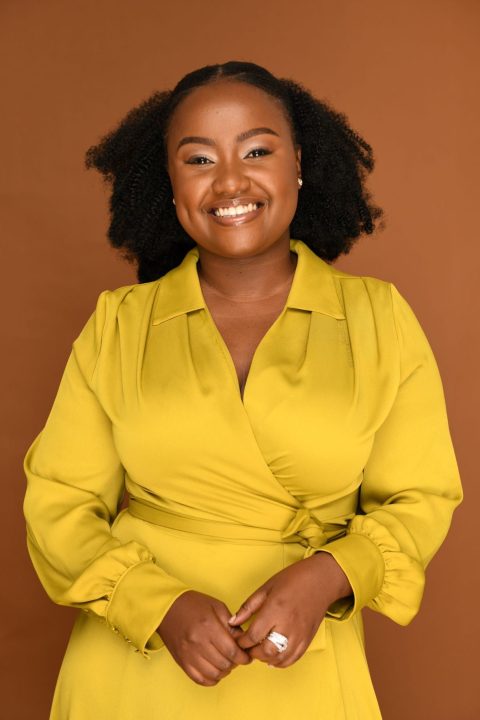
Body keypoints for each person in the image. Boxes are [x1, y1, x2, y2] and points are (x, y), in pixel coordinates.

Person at [23, 60, 463, 719]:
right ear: (170, 183)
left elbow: (422, 497)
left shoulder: (380, 319)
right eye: (199, 159)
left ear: (299, 165)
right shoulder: (118, 324)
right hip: (129, 678)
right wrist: (156, 604)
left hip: (305, 672)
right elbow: (59, 503)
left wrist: (332, 574)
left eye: (257, 151)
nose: (230, 181)